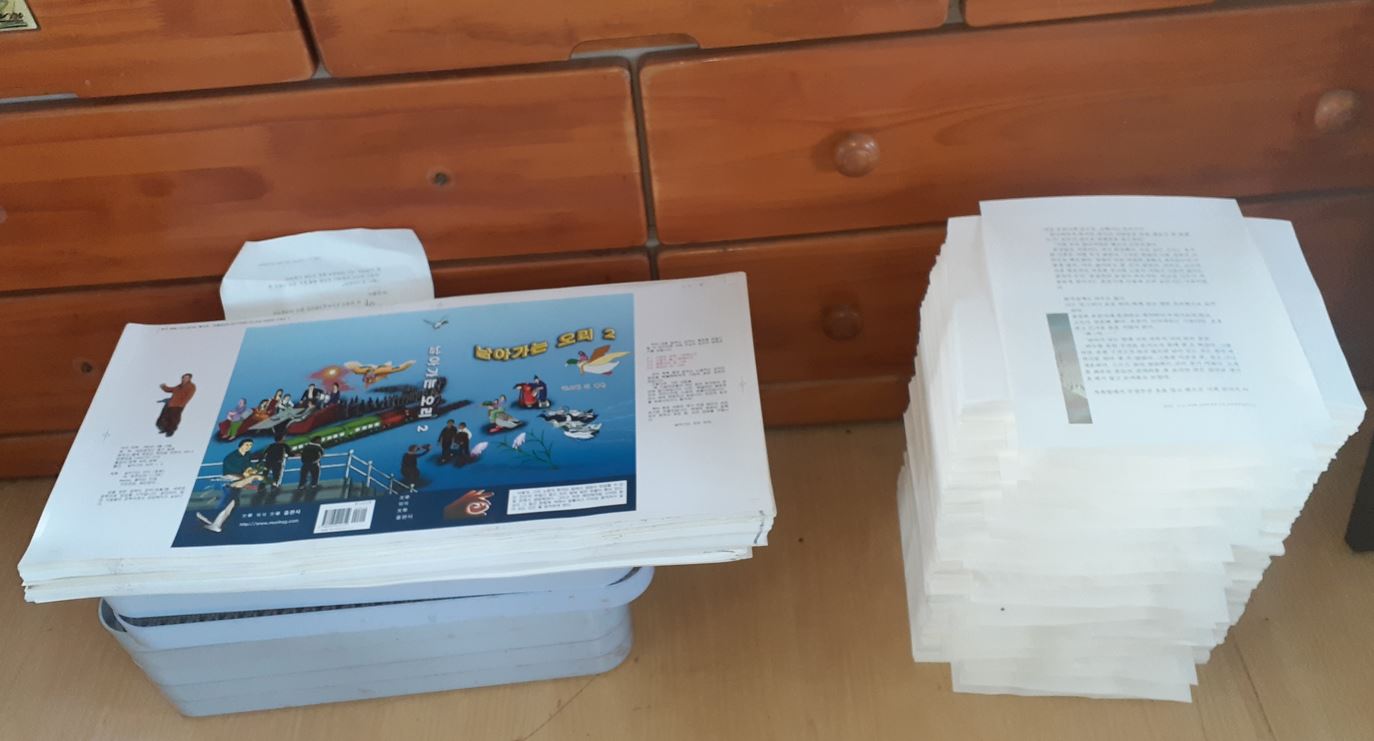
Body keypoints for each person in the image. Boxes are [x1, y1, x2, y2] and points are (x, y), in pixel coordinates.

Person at [216, 439, 262, 511]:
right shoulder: (231, 457)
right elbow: (231, 468)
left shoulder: (247, 454)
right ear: (240, 445)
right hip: (230, 477)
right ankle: (219, 512)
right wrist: (246, 473)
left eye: (250, 445)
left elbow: (248, 463)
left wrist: (252, 469)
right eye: (247, 445)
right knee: (230, 499)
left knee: (235, 500)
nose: (249, 447)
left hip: (239, 478)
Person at [259, 433, 292, 503]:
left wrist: (260, 460)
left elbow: (264, 453)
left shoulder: (271, 445)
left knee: (265, 473)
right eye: (284, 438)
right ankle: (274, 487)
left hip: (268, 461)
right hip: (277, 462)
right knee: (276, 474)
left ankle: (262, 485)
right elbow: (290, 453)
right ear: (282, 439)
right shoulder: (284, 445)